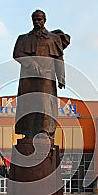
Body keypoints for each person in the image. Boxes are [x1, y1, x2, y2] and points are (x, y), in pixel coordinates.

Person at [13, 10, 70, 139]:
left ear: (45, 20)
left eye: (40, 19)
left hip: (47, 77)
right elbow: (17, 54)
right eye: (35, 19)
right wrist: (32, 64)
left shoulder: (53, 38)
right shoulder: (24, 38)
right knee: (29, 103)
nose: (37, 22)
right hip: (28, 78)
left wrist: (61, 77)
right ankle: (28, 132)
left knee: (45, 104)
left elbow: (59, 58)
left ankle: (44, 131)